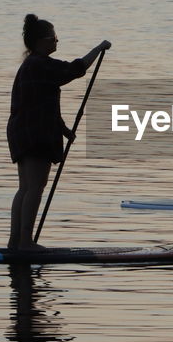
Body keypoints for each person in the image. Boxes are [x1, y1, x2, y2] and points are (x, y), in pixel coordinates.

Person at [7, 14, 110, 250]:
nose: (57, 42)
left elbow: (40, 102)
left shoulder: (30, 65)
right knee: (35, 186)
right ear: (42, 41)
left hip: (22, 132)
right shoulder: (40, 64)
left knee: (25, 187)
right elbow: (76, 69)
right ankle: (24, 242)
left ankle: (16, 241)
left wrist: (63, 130)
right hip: (35, 134)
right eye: (54, 38)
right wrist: (99, 48)